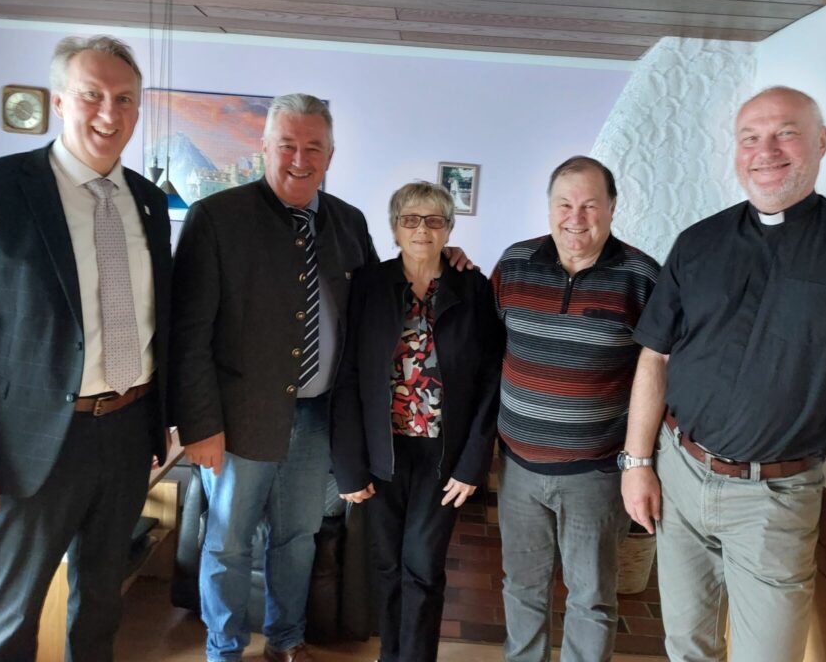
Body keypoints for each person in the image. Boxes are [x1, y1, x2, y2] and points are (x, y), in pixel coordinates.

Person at [621, 86, 826, 662]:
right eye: (750, 137)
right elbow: (654, 357)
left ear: (820, 142)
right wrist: (637, 464)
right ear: (736, 151)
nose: (766, 150)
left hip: (775, 498)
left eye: (785, 132)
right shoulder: (698, 242)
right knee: (686, 643)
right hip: (680, 473)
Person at [170, 95, 473, 662]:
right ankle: (224, 649)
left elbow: (384, 291)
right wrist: (199, 425)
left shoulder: (348, 222)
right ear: (264, 148)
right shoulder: (218, 218)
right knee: (229, 544)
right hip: (237, 422)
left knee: (297, 539)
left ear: (331, 154)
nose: (300, 158)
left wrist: (441, 252)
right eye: (287, 144)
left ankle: (285, 642)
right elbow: (188, 333)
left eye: (314, 147)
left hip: (318, 417)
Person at [0, 35, 171, 661]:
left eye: (124, 100)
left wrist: (159, 426)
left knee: (102, 604)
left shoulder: (149, 201)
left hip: (128, 430)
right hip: (29, 445)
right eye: (92, 96)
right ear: (59, 100)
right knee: (11, 615)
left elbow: (156, 321)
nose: (108, 114)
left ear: (138, 110)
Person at [491, 156, 659, 662]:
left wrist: (640, 463)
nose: (576, 217)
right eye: (565, 204)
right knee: (522, 588)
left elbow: (660, 373)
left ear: (611, 208)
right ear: (548, 208)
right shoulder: (514, 265)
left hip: (597, 472)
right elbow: (485, 345)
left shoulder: (642, 277)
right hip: (517, 468)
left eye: (590, 205)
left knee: (590, 597)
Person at [331, 181, 503, 662]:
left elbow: (492, 378)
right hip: (382, 451)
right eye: (410, 218)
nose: (421, 228)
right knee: (386, 566)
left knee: (424, 567)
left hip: (441, 457)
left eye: (433, 219)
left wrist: (473, 463)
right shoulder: (368, 284)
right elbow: (347, 375)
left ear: (449, 227)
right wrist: (350, 465)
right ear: (394, 228)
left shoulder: (471, 287)